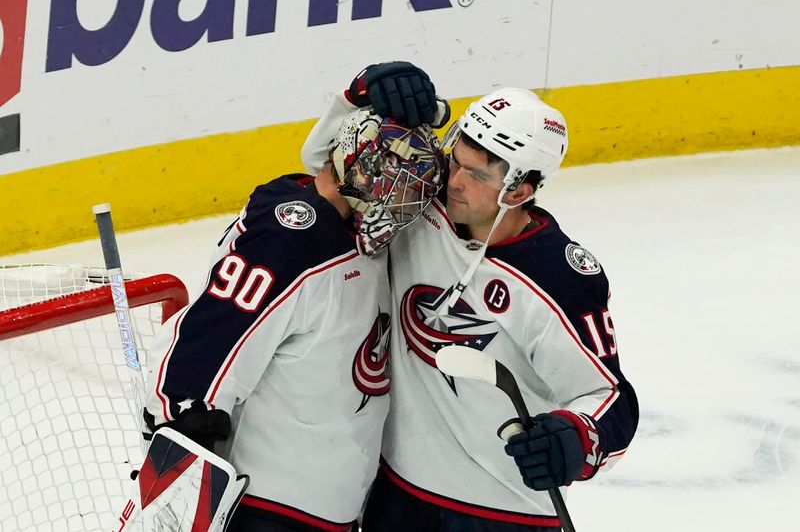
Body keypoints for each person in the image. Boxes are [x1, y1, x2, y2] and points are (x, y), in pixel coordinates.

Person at [301, 64, 639, 532]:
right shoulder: (420, 202)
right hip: (393, 495)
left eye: (475, 174)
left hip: (500, 512)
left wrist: (576, 438)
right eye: (455, 159)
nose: (453, 180)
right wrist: (359, 94)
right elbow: (326, 167)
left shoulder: (557, 275)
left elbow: (609, 397)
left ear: (519, 189)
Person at [142, 102, 445, 531]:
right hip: (264, 502)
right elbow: (214, 336)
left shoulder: (358, 237)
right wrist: (184, 415)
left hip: (334, 502)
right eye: (394, 187)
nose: (401, 207)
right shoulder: (294, 237)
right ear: (361, 168)